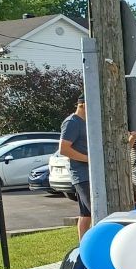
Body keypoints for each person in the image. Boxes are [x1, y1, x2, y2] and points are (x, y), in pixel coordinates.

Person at [59, 95, 92, 238]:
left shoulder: (87, 122)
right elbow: (64, 149)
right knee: (96, 211)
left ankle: (82, 247)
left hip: (90, 173)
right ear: (82, 105)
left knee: (86, 214)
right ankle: (93, 246)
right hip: (82, 175)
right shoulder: (72, 122)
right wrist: (89, 160)